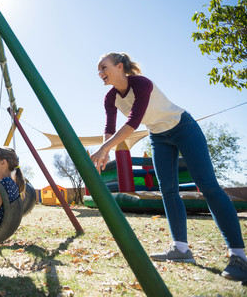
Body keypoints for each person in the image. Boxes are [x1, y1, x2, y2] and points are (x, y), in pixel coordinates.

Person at [90, 52, 246, 281]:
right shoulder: (110, 98)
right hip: (158, 137)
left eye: (104, 68)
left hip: (184, 128)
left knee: (209, 187)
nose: (100, 74)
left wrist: (104, 148)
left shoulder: (142, 84)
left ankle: (239, 256)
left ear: (120, 67)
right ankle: (181, 249)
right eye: (98, 70)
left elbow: (133, 121)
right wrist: (106, 149)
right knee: (168, 192)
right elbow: (110, 128)